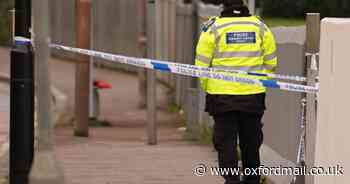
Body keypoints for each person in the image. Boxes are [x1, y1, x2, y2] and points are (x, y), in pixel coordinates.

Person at [195, 0, 277, 183]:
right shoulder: (260, 27)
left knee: (226, 143)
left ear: (223, 6)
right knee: (251, 143)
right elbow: (271, 63)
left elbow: (201, 66)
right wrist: (261, 83)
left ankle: (231, 180)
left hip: (222, 97)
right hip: (252, 96)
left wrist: (209, 88)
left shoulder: (213, 28)